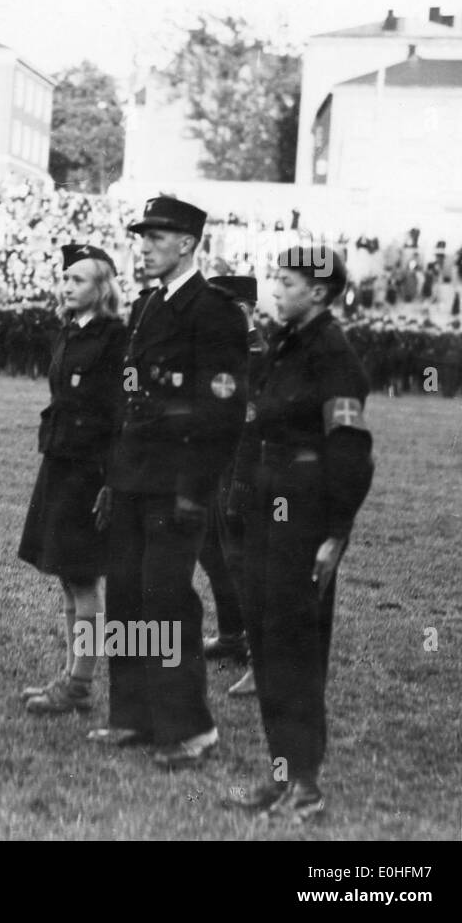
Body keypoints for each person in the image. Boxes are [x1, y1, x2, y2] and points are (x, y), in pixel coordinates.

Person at [87, 196, 248, 769]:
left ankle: (190, 728)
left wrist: (192, 490)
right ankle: (132, 714)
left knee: (166, 602)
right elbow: (128, 402)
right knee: (128, 598)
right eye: (142, 237)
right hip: (133, 479)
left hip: (176, 485)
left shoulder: (217, 312)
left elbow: (222, 412)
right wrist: (112, 479)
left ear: (187, 244)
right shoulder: (147, 307)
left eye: (157, 237)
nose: (145, 246)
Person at [224, 246, 374, 822]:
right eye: (275, 280)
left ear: (318, 291)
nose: (276, 289)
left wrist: (335, 534)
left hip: (304, 522)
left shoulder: (334, 357)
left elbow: (351, 453)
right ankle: (281, 774)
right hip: (268, 509)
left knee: (295, 652)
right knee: (267, 648)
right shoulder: (285, 346)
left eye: (286, 282)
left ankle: (306, 787)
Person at [17, 245, 126, 714]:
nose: (67, 285)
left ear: (102, 289)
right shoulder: (69, 331)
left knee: (82, 579)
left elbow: (123, 413)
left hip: (90, 469)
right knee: (66, 574)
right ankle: (71, 675)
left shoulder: (117, 339)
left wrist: (113, 479)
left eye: (79, 279)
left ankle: (78, 684)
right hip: (61, 459)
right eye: (65, 277)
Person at [200, 275, 267, 697]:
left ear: (241, 310)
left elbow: (253, 425)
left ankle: (266, 662)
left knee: (246, 565)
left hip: (244, 472)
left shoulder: (257, 354)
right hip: (215, 465)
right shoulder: (224, 349)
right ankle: (230, 636)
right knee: (211, 550)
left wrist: (240, 484)